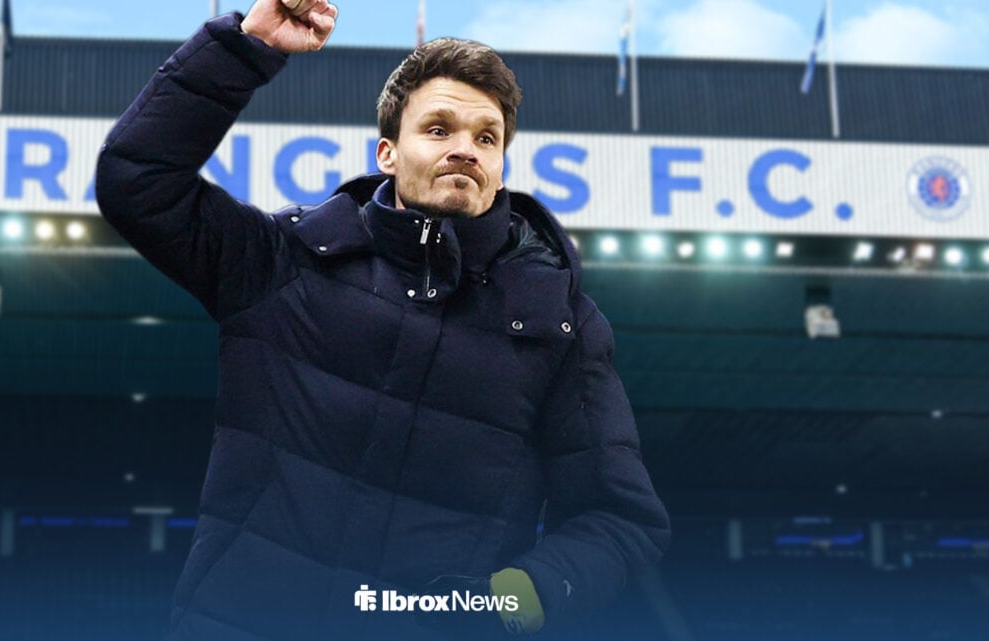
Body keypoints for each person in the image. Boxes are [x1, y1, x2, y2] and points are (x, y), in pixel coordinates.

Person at [95, 0, 669, 639]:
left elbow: (619, 517)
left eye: (486, 137)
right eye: (439, 129)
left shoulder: (559, 323)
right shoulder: (284, 265)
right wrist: (247, 43)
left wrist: (519, 596)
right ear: (389, 153)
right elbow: (136, 181)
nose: (465, 150)